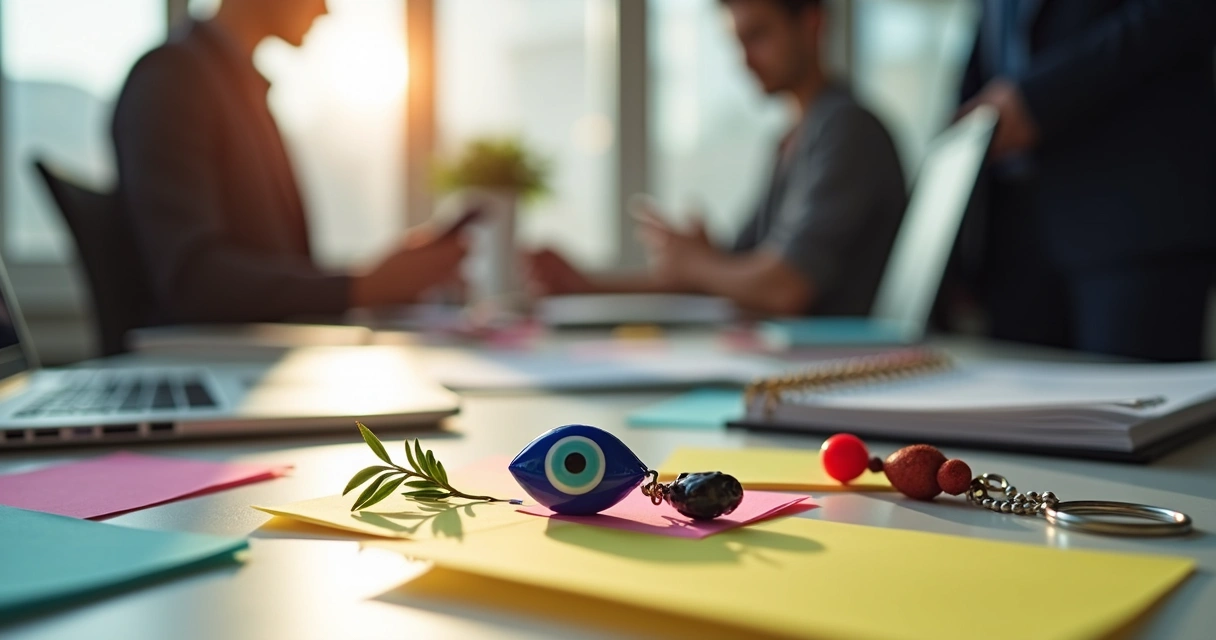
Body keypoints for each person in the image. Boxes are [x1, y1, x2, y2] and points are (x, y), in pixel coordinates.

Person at [529, 0, 905, 316]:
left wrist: (698, 263)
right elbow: (727, 281)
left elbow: (783, 287)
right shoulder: (791, 141)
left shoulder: (846, 130)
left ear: (811, 22)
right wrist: (589, 288)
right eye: (737, 43)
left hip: (839, 371)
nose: (744, 61)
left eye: (757, 36)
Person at [112, 0, 466, 323]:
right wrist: (363, 286)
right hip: (213, 365)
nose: (326, 10)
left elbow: (281, 264)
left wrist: (379, 280)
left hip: (257, 359)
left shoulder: (241, 89)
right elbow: (191, 278)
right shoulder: (174, 78)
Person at [956, 0, 1216, 361]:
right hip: (1013, 225)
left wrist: (1039, 99)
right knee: (1021, 407)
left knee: (1132, 401)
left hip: (1132, 207)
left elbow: (1178, 12)